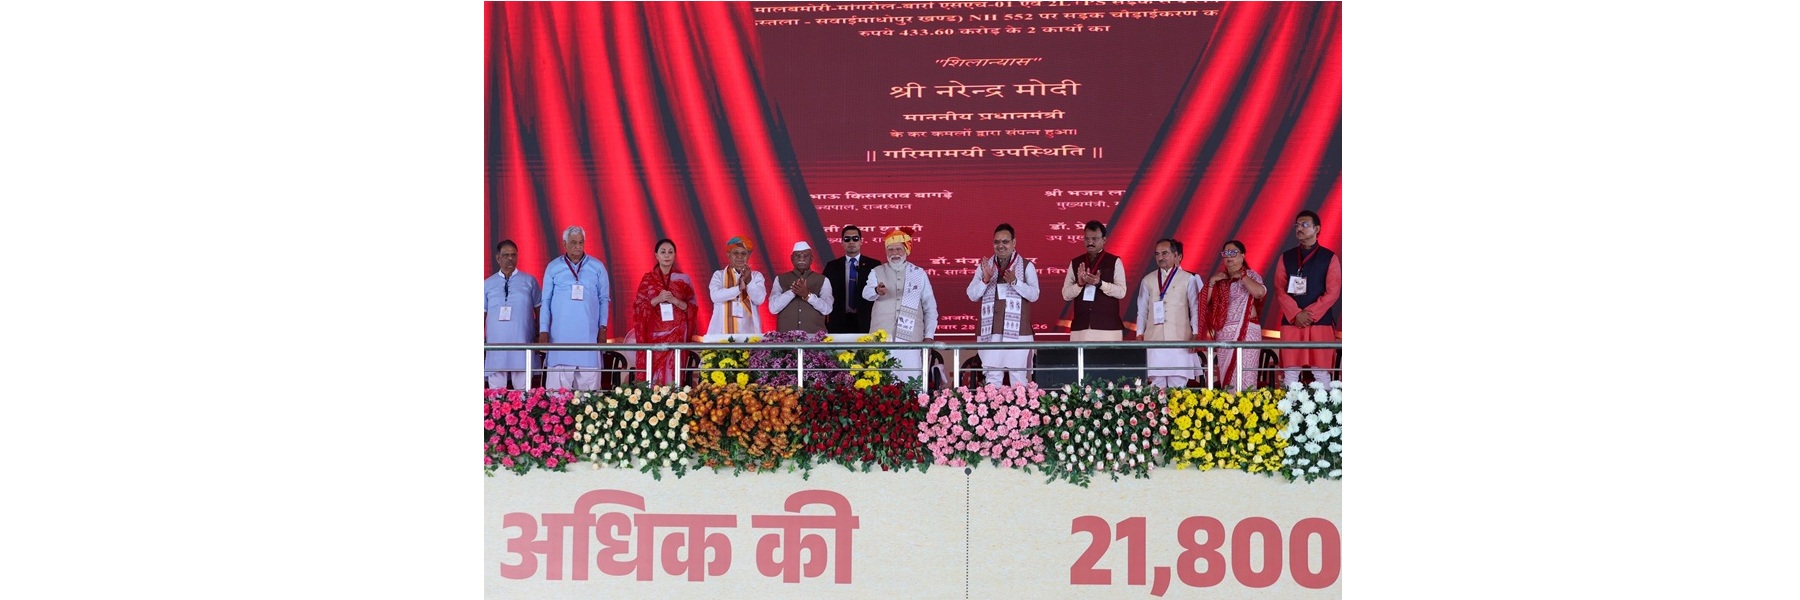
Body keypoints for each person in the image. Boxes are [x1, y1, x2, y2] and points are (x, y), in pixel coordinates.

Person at [538, 225, 610, 391]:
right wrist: (543, 330)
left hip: (588, 338)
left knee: (588, 400)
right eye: (573, 243)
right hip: (560, 339)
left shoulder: (597, 267)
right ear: (564, 244)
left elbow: (604, 299)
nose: (578, 246)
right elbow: (546, 300)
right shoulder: (553, 267)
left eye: (580, 242)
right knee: (557, 399)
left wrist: (603, 328)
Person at [1273, 210, 1341, 386]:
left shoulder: (1329, 257)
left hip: (1319, 322)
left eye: (1304, 225)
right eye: (1297, 225)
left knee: (1321, 372)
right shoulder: (1286, 257)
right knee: (1290, 372)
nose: (1299, 229)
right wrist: (1296, 314)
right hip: (1293, 322)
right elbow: (1280, 288)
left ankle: (1324, 412)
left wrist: (1308, 314)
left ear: (1317, 228)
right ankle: (1288, 411)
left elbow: (1333, 292)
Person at [966, 223, 1038, 385]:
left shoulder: (1027, 266)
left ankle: (1021, 411)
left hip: (1019, 333)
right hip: (991, 332)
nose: (1000, 245)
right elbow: (971, 295)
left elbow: (1034, 295)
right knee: (992, 377)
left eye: (1005, 241)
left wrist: (1015, 282)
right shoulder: (985, 266)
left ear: (1014, 243)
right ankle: (993, 410)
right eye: (997, 242)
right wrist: (985, 280)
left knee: (1018, 378)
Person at [864, 228, 938, 384]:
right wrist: (877, 290)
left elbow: (930, 307)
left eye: (898, 248)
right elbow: (866, 293)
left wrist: (929, 336)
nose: (894, 253)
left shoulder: (918, 273)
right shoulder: (876, 271)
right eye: (890, 249)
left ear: (907, 250)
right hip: (883, 337)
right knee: (882, 384)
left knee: (911, 382)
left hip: (910, 338)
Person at [628, 238, 698, 385]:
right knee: (654, 376)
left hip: (677, 335)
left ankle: (673, 403)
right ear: (656, 255)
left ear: (675, 255)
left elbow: (692, 309)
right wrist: (657, 299)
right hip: (653, 336)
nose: (667, 255)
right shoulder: (648, 279)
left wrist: (676, 301)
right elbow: (638, 308)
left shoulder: (683, 279)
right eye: (663, 252)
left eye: (670, 252)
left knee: (672, 375)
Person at [1200, 240, 1266, 390]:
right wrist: (1211, 282)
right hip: (1224, 335)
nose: (1229, 256)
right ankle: (1230, 413)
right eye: (1226, 253)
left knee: (1246, 378)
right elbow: (1203, 303)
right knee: (1227, 381)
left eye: (1233, 253)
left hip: (1247, 333)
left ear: (1242, 256)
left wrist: (1242, 276)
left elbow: (1259, 292)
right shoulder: (1219, 280)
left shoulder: (1251, 275)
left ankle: (1249, 411)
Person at [1136, 239, 1201, 388]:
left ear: (1176, 255)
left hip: (1180, 340)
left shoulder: (1189, 278)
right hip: (1154, 340)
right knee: (1155, 388)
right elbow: (1142, 310)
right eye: (1157, 254)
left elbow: (1195, 308)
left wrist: (1196, 334)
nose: (1160, 257)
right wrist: (1139, 333)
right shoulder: (1148, 280)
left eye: (1165, 253)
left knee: (1177, 387)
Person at [485, 239, 541, 389]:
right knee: (495, 397)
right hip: (495, 348)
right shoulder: (487, 284)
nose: (510, 258)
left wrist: (540, 333)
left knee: (524, 396)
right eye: (506, 255)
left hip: (522, 345)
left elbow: (539, 310)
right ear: (498, 258)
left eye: (513, 255)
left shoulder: (529, 281)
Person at [1062, 220, 1128, 342]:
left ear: (1104, 240)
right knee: (1080, 361)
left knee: (1108, 361)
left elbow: (1121, 292)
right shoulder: (1076, 262)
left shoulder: (1114, 261)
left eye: (1095, 239)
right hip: (1081, 328)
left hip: (1108, 328)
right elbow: (1066, 295)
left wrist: (1100, 284)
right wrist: (1079, 284)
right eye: (1087, 239)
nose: (1090, 242)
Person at [706, 236, 767, 340]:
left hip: (749, 334)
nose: (740, 257)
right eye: (736, 253)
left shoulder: (756, 276)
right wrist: (738, 289)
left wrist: (749, 281)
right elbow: (715, 297)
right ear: (728, 255)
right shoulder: (719, 275)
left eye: (744, 253)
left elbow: (759, 299)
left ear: (749, 256)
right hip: (721, 334)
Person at [823, 225, 880, 334]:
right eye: (847, 239)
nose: (851, 242)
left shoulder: (873, 265)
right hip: (838, 321)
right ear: (842, 242)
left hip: (867, 321)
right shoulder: (832, 266)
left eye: (855, 239)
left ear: (861, 241)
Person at [770, 241, 834, 333]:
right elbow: (773, 308)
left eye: (806, 256)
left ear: (811, 259)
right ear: (791, 258)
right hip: (786, 340)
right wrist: (792, 291)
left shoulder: (823, 280)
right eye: (798, 256)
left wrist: (808, 296)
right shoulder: (780, 279)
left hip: (815, 339)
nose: (801, 259)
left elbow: (827, 309)